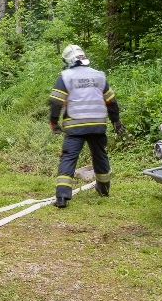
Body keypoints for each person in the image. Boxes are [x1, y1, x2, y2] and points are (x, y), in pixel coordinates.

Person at [48, 44, 123, 208]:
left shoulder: (66, 76)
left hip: (75, 126)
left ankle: (62, 197)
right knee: (100, 155)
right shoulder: (98, 75)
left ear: (67, 60)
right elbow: (111, 100)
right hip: (97, 124)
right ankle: (103, 189)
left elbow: (56, 101)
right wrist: (116, 121)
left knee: (69, 157)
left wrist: (53, 122)